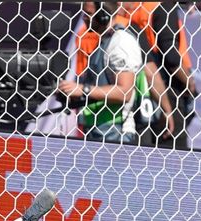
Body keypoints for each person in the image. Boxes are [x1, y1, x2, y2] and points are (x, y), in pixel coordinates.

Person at [58, 2, 142, 144]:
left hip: (115, 131)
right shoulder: (106, 41)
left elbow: (124, 92)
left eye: (88, 14)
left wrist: (82, 90)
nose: (84, 18)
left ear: (103, 15)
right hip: (98, 129)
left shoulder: (121, 42)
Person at [119, 2, 197, 149]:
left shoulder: (135, 9)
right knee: (174, 155)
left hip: (144, 89)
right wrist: (189, 82)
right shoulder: (163, 7)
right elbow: (171, 56)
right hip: (167, 89)